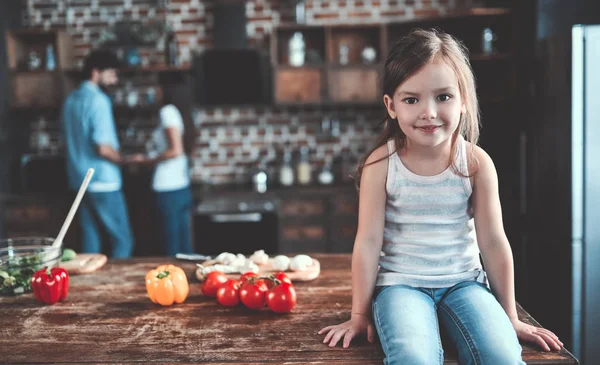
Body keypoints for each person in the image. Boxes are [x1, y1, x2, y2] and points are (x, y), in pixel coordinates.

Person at [318, 29, 563, 364]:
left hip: (465, 285)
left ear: (464, 100)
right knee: (414, 357)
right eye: (411, 99)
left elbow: (492, 241)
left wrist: (511, 316)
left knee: (503, 355)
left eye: (443, 97)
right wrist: (359, 315)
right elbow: (368, 242)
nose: (429, 112)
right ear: (391, 106)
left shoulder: (476, 163)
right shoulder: (380, 164)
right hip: (400, 287)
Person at [61, 49, 139, 258]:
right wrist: (126, 160)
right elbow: (103, 148)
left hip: (79, 181)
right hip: (103, 181)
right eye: (111, 72)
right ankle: (118, 288)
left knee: (91, 241)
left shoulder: (70, 101)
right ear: (96, 72)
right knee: (123, 240)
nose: (115, 77)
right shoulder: (99, 101)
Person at [144, 85, 195, 256]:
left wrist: (147, 159)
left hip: (167, 187)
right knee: (184, 247)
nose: (155, 92)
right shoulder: (183, 111)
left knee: (170, 245)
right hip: (181, 185)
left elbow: (175, 150)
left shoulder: (167, 111)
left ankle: (171, 281)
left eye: (157, 88)